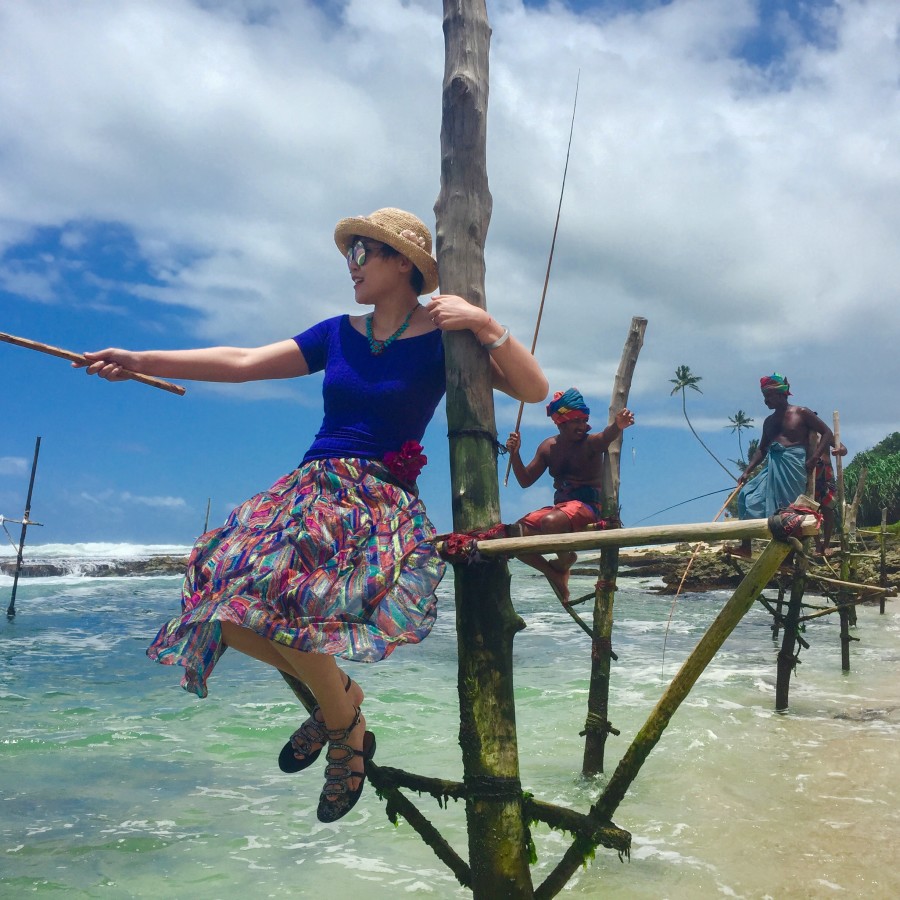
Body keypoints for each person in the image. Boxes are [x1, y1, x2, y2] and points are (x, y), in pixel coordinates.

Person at [77, 207, 548, 823]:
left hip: (373, 497)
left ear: (402, 262)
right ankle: (344, 710)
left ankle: (342, 728)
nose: (350, 266)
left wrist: (485, 324)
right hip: (308, 487)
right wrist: (142, 360)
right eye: (347, 254)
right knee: (219, 606)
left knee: (272, 604)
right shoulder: (337, 333)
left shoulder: (445, 338)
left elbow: (534, 389)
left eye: (363, 254)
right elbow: (242, 362)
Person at [505, 387, 634, 602]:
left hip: (588, 507)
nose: (582, 427)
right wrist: (515, 454)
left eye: (584, 421)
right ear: (560, 422)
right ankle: (553, 571)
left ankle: (566, 559)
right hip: (561, 509)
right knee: (513, 534)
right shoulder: (548, 447)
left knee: (551, 522)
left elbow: (605, 437)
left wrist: (617, 426)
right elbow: (525, 480)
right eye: (576, 422)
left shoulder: (591, 443)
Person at [734, 373, 838, 557]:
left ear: (782, 394)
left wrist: (814, 458)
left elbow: (827, 433)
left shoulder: (802, 413)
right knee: (745, 496)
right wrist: (747, 471)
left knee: (788, 511)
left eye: (769, 397)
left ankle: (788, 558)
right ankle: (746, 547)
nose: (766, 402)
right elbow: (762, 449)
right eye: (764, 398)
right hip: (774, 466)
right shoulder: (769, 422)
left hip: (795, 465)